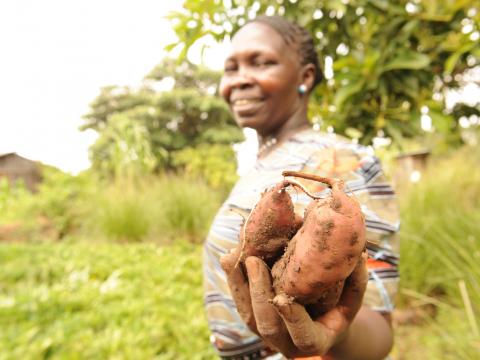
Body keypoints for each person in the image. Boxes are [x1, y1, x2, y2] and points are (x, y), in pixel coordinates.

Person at [203, 15, 400, 360]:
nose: (240, 80)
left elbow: (379, 330)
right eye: (231, 68)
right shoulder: (261, 164)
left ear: (305, 77)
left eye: (261, 62)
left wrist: (335, 335)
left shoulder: (340, 160)